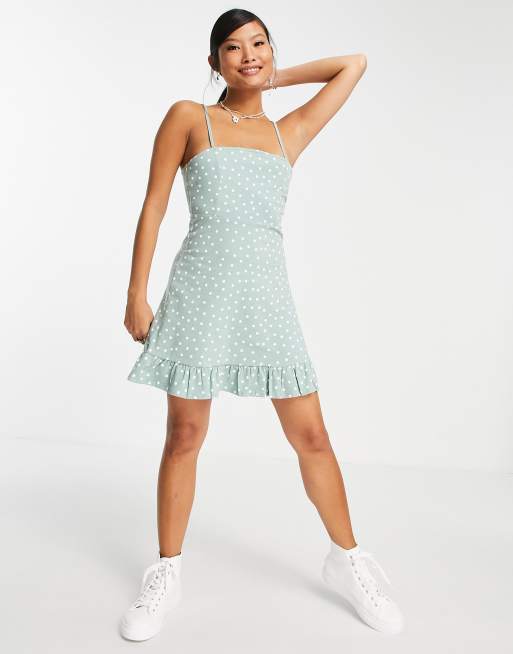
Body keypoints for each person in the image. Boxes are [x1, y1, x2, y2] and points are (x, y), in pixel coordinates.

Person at [121, 8, 404, 642]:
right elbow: (155, 203)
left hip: (267, 301)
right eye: (233, 48)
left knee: (313, 436)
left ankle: (347, 560)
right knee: (184, 434)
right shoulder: (189, 117)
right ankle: (166, 571)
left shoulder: (287, 131)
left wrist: (272, 80)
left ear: (272, 52)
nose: (248, 55)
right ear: (213, 61)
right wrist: (137, 292)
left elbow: (353, 64)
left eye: (259, 45)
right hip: (199, 292)